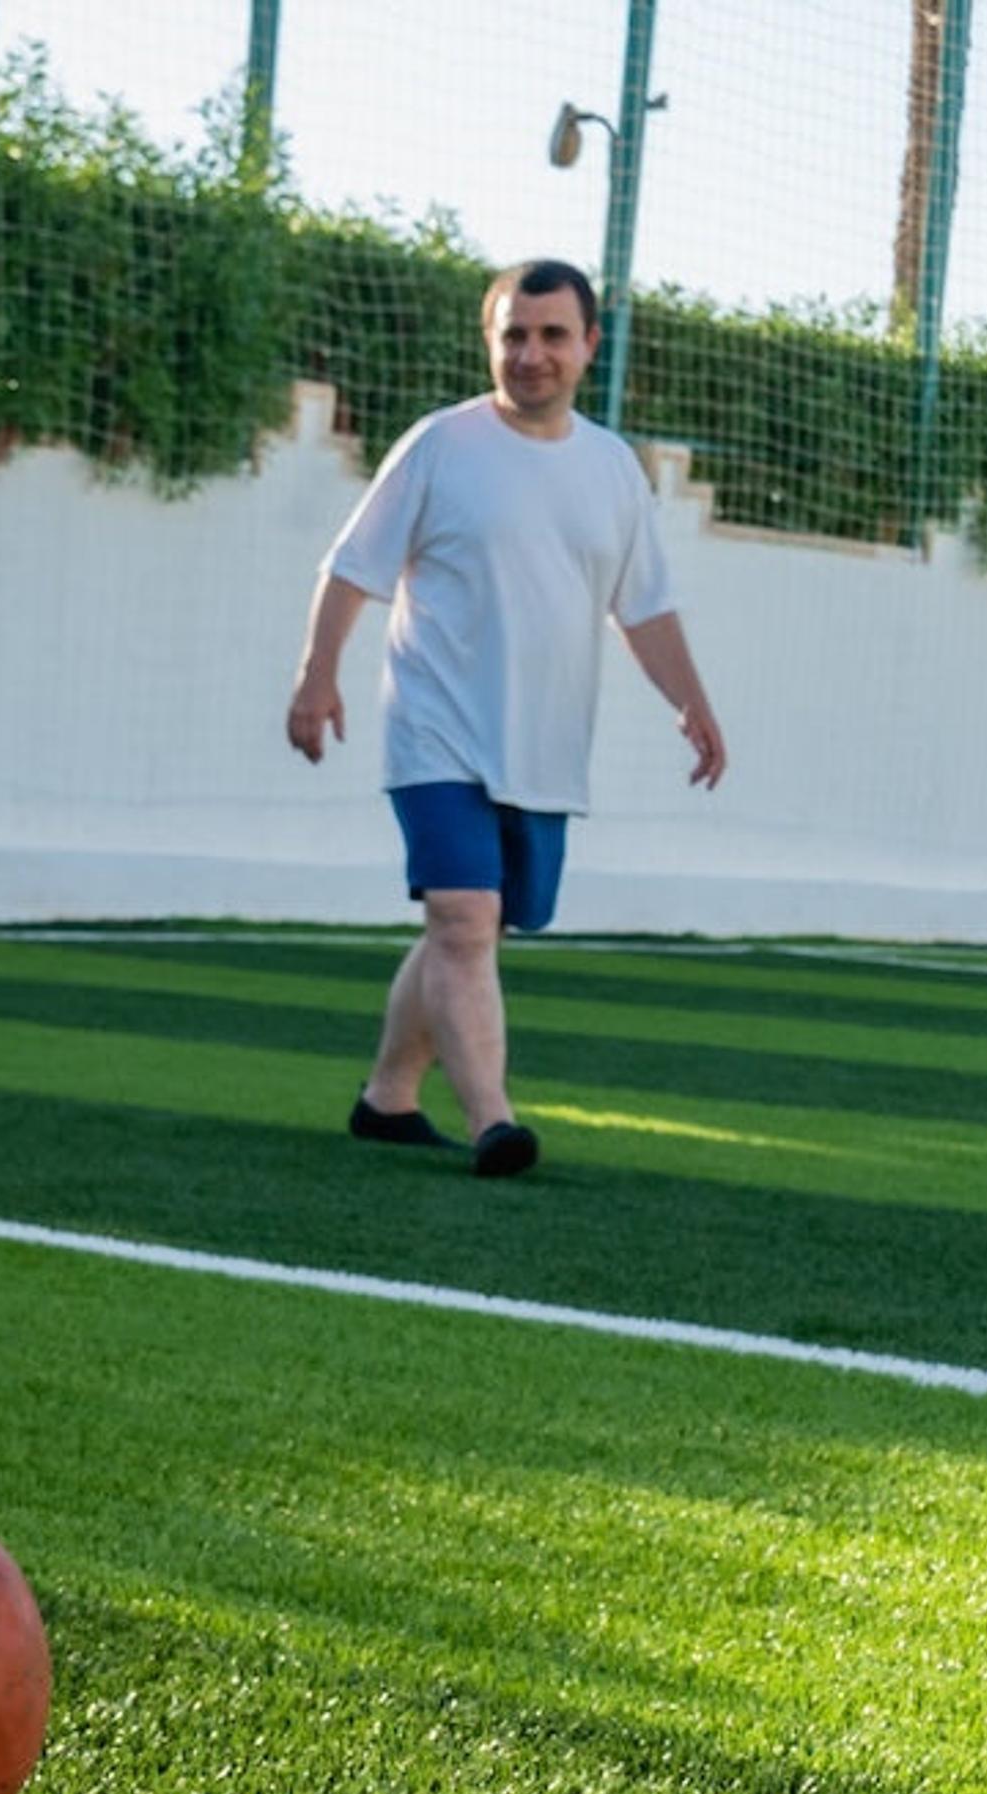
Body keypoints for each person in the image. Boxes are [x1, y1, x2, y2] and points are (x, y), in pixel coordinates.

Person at [283, 257, 725, 1178]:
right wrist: (316, 675)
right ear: (490, 341)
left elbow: (642, 608)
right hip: (434, 725)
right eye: (513, 335)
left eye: (552, 335)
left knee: (476, 927)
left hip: (544, 743)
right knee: (462, 915)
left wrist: (690, 699)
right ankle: (495, 1121)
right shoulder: (440, 445)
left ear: (588, 346)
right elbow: (353, 566)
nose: (531, 355)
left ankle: (388, 1099)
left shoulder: (613, 470)